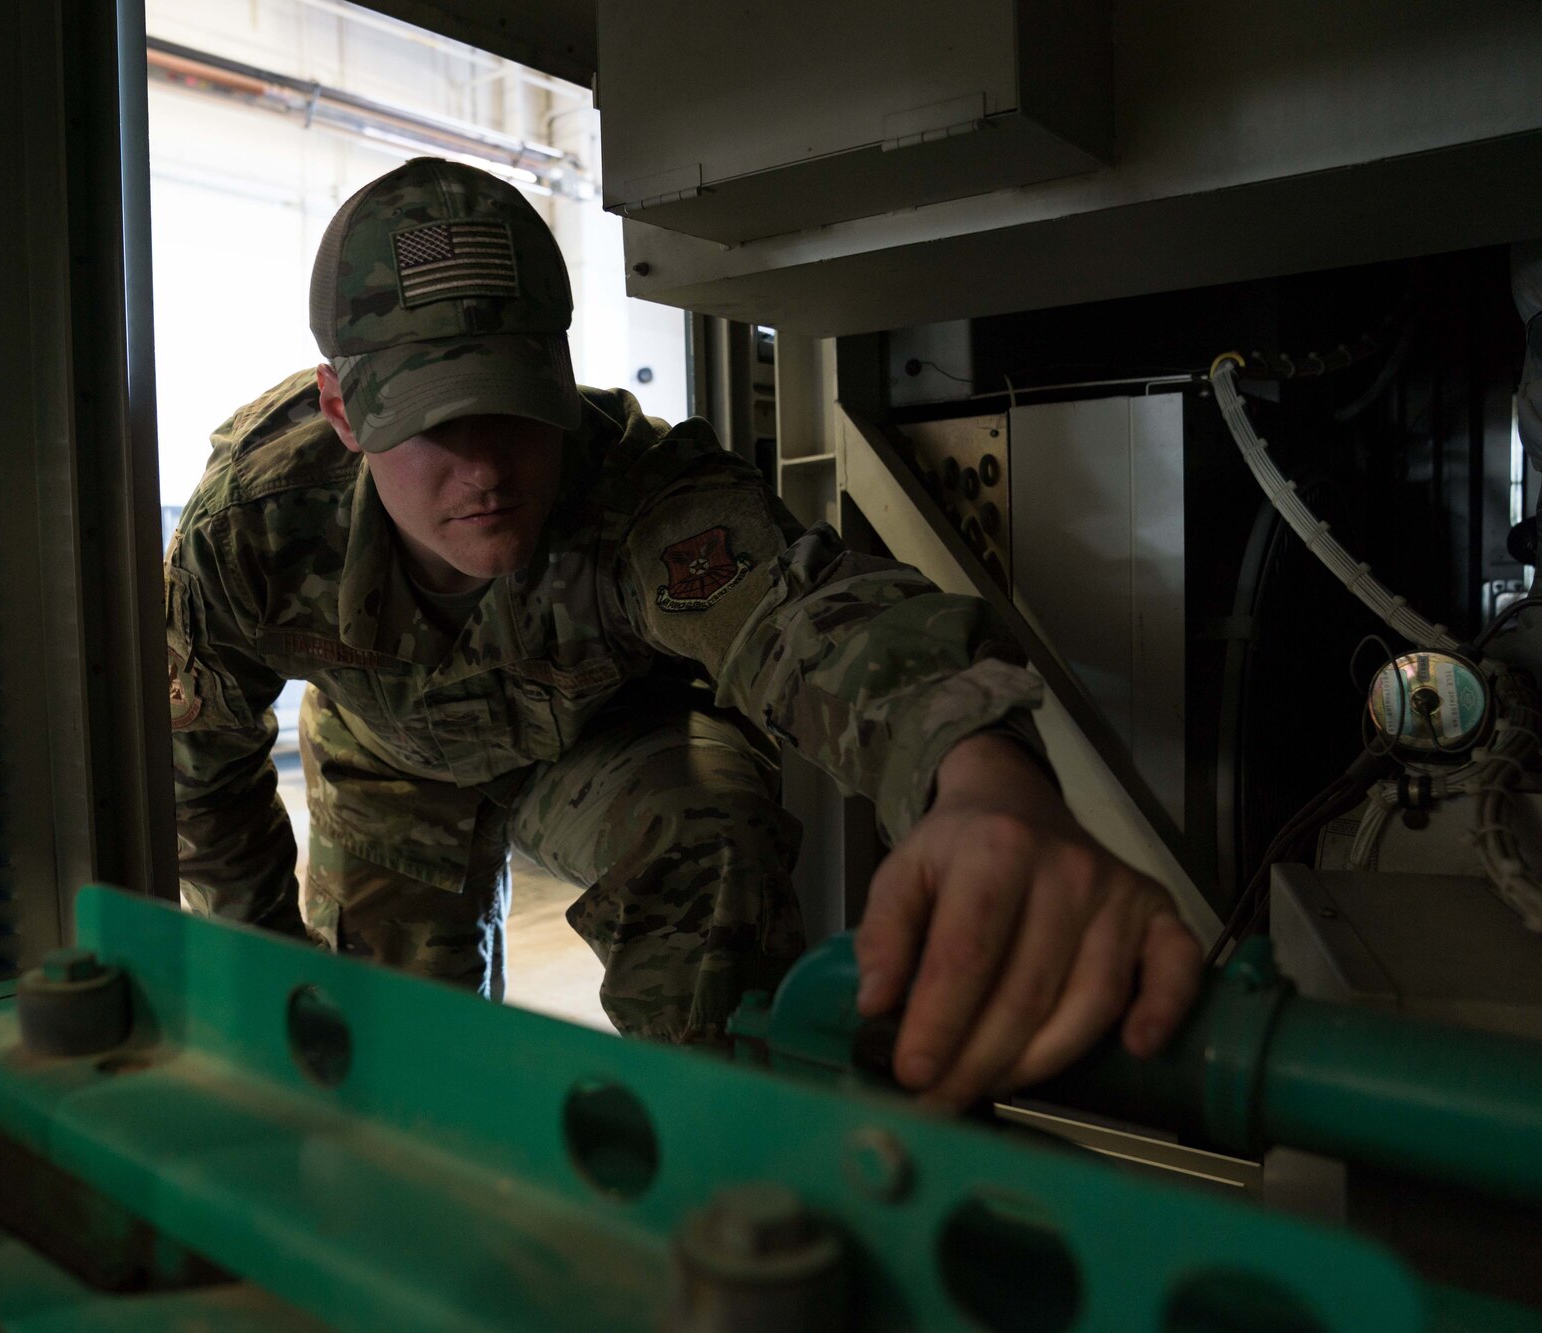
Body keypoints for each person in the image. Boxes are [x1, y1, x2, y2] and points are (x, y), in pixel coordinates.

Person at [164, 157, 1201, 1108]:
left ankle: (717, 1160)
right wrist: (259, 971)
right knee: (385, 1078)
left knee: (706, 828)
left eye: (515, 406)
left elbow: (808, 615)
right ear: (343, 413)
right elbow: (199, 771)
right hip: (388, 759)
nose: (484, 468)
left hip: (595, 742)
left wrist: (978, 777)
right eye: (435, 422)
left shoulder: (635, 490)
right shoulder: (250, 530)